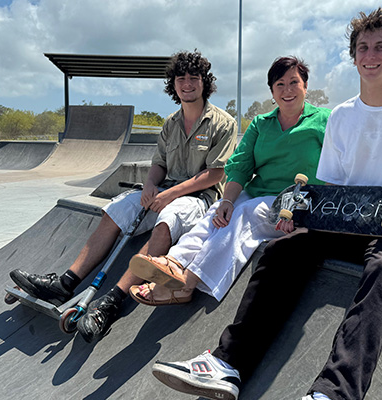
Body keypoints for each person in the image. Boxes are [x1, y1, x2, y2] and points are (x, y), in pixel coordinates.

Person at [150, 8, 382, 400]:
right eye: (363, 47)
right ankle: (227, 364)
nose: (371, 55)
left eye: (381, 47)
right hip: (345, 225)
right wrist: (304, 218)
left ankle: (334, 392)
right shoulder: (343, 117)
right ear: (353, 57)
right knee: (283, 249)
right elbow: (330, 187)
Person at [9, 50, 238, 343]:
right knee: (116, 208)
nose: (187, 84)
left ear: (204, 83)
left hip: (198, 198)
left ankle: (111, 302)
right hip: (164, 189)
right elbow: (159, 163)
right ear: (174, 84)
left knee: (167, 222)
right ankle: (66, 283)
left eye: (194, 78)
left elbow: (215, 175)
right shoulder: (170, 123)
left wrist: (170, 195)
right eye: (181, 79)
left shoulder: (223, 122)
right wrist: (150, 186)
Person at [126, 56, 331, 306]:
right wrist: (227, 200)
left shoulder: (326, 120)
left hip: (296, 201)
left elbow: (341, 170)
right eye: (279, 84)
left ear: (305, 86)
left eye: (293, 82)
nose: (287, 90)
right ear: (272, 91)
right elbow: (241, 167)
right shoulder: (261, 123)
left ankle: (187, 283)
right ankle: (174, 261)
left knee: (245, 214)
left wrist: (306, 215)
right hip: (258, 192)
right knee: (217, 213)